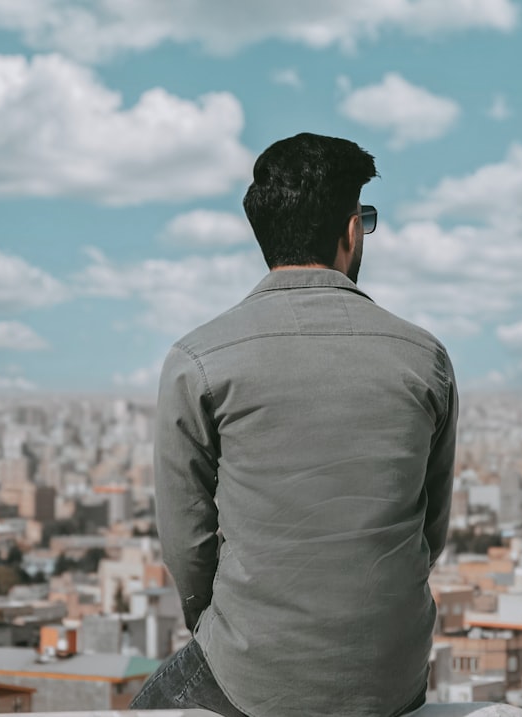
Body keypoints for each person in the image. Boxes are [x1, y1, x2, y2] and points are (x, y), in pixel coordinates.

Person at [130, 132, 458, 716]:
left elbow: (187, 544)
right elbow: (429, 530)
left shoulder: (199, 358)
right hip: (394, 674)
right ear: (352, 230)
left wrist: (231, 630)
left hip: (254, 671)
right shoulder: (424, 356)